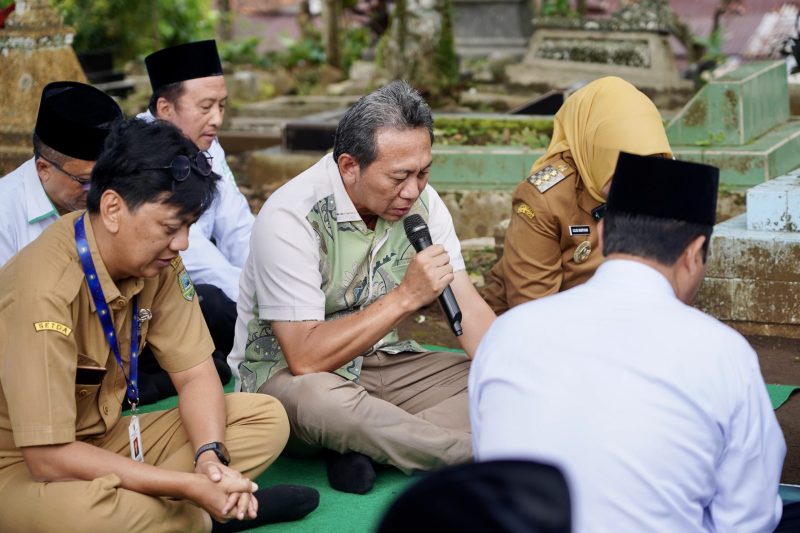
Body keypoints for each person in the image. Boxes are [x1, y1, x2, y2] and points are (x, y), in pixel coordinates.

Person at [0, 118, 318, 532]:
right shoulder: (43, 290)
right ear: (113, 208)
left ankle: (172, 511)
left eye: (188, 227)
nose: (182, 243)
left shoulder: (158, 262)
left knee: (265, 418)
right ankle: (204, 519)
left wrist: (209, 459)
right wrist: (186, 485)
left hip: (105, 439)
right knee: (88, 517)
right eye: (171, 227)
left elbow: (197, 375)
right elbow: (48, 457)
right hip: (22, 465)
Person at [470, 152, 786, 532]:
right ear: (692, 254)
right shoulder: (723, 353)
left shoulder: (508, 332)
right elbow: (749, 519)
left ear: (603, 236)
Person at [228, 80, 497, 494]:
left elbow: (471, 311)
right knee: (322, 402)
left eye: (423, 172)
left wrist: (518, 373)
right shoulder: (291, 216)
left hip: (382, 365)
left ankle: (364, 442)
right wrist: (405, 297)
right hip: (289, 381)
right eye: (399, 177)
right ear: (349, 166)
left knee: (491, 381)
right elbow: (304, 357)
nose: (413, 191)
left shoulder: (423, 202)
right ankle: (480, 453)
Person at [483, 77, 673, 314]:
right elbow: (532, 311)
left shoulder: (661, 183)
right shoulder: (545, 198)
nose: (641, 181)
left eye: (651, 162)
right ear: (595, 153)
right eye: (625, 167)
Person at [141, 39, 254, 357]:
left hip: (216, 278)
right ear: (165, 109)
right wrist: (251, 297)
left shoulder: (207, 145)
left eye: (222, 106)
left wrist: (268, 275)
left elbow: (237, 224)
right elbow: (189, 254)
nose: (217, 118)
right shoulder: (139, 153)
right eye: (206, 107)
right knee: (218, 306)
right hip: (160, 283)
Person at [0, 80, 122, 267]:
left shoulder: (115, 191)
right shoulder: (5, 213)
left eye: (106, 177)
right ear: (44, 169)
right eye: (85, 181)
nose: (99, 190)